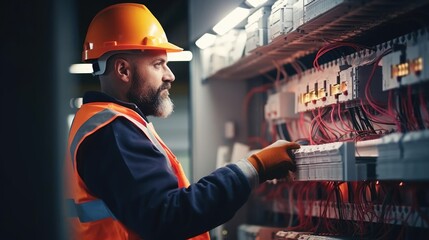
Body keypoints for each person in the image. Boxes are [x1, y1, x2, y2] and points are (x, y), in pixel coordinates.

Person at [65, 3, 300, 240]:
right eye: (158, 64)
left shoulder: (112, 124)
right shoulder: (112, 131)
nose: (170, 75)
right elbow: (168, 215)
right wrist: (254, 168)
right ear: (123, 70)